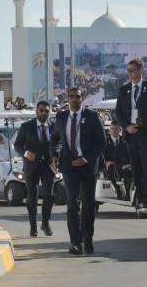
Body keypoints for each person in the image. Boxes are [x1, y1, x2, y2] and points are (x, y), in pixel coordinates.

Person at [51, 87, 106, 255]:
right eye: (72, 96)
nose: (75, 99)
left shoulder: (92, 116)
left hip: (88, 166)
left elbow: (101, 142)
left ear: (82, 99)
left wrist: (86, 158)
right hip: (69, 165)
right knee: (72, 204)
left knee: (88, 205)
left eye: (78, 96)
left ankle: (87, 240)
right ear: (68, 99)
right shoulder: (61, 117)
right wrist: (53, 154)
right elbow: (54, 138)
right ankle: (75, 242)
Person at [115, 59, 147, 210]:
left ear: (140, 71)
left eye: (132, 70)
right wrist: (126, 127)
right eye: (128, 71)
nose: (130, 73)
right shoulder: (124, 90)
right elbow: (118, 112)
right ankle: (140, 196)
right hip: (132, 133)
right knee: (136, 167)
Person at [13, 101, 55, 237]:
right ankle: (33, 225)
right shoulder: (26, 127)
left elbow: (59, 143)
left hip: (48, 165)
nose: (43, 113)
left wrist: (57, 155)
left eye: (46, 111)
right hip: (31, 166)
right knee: (32, 197)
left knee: (49, 195)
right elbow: (18, 145)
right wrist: (26, 153)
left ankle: (45, 222)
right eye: (41, 110)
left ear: (49, 112)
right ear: (37, 111)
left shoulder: (54, 126)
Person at [103, 119, 131, 201]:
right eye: (112, 129)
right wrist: (107, 162)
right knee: (111, 168)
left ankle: (128, 194)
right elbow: (104, 155)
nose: (114, 131)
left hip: (124, 164)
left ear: (119, 130)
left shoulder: (124, 140)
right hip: (111, 165)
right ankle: (118, 191)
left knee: (127, 171)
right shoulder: (105, 141)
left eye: (116, 129)